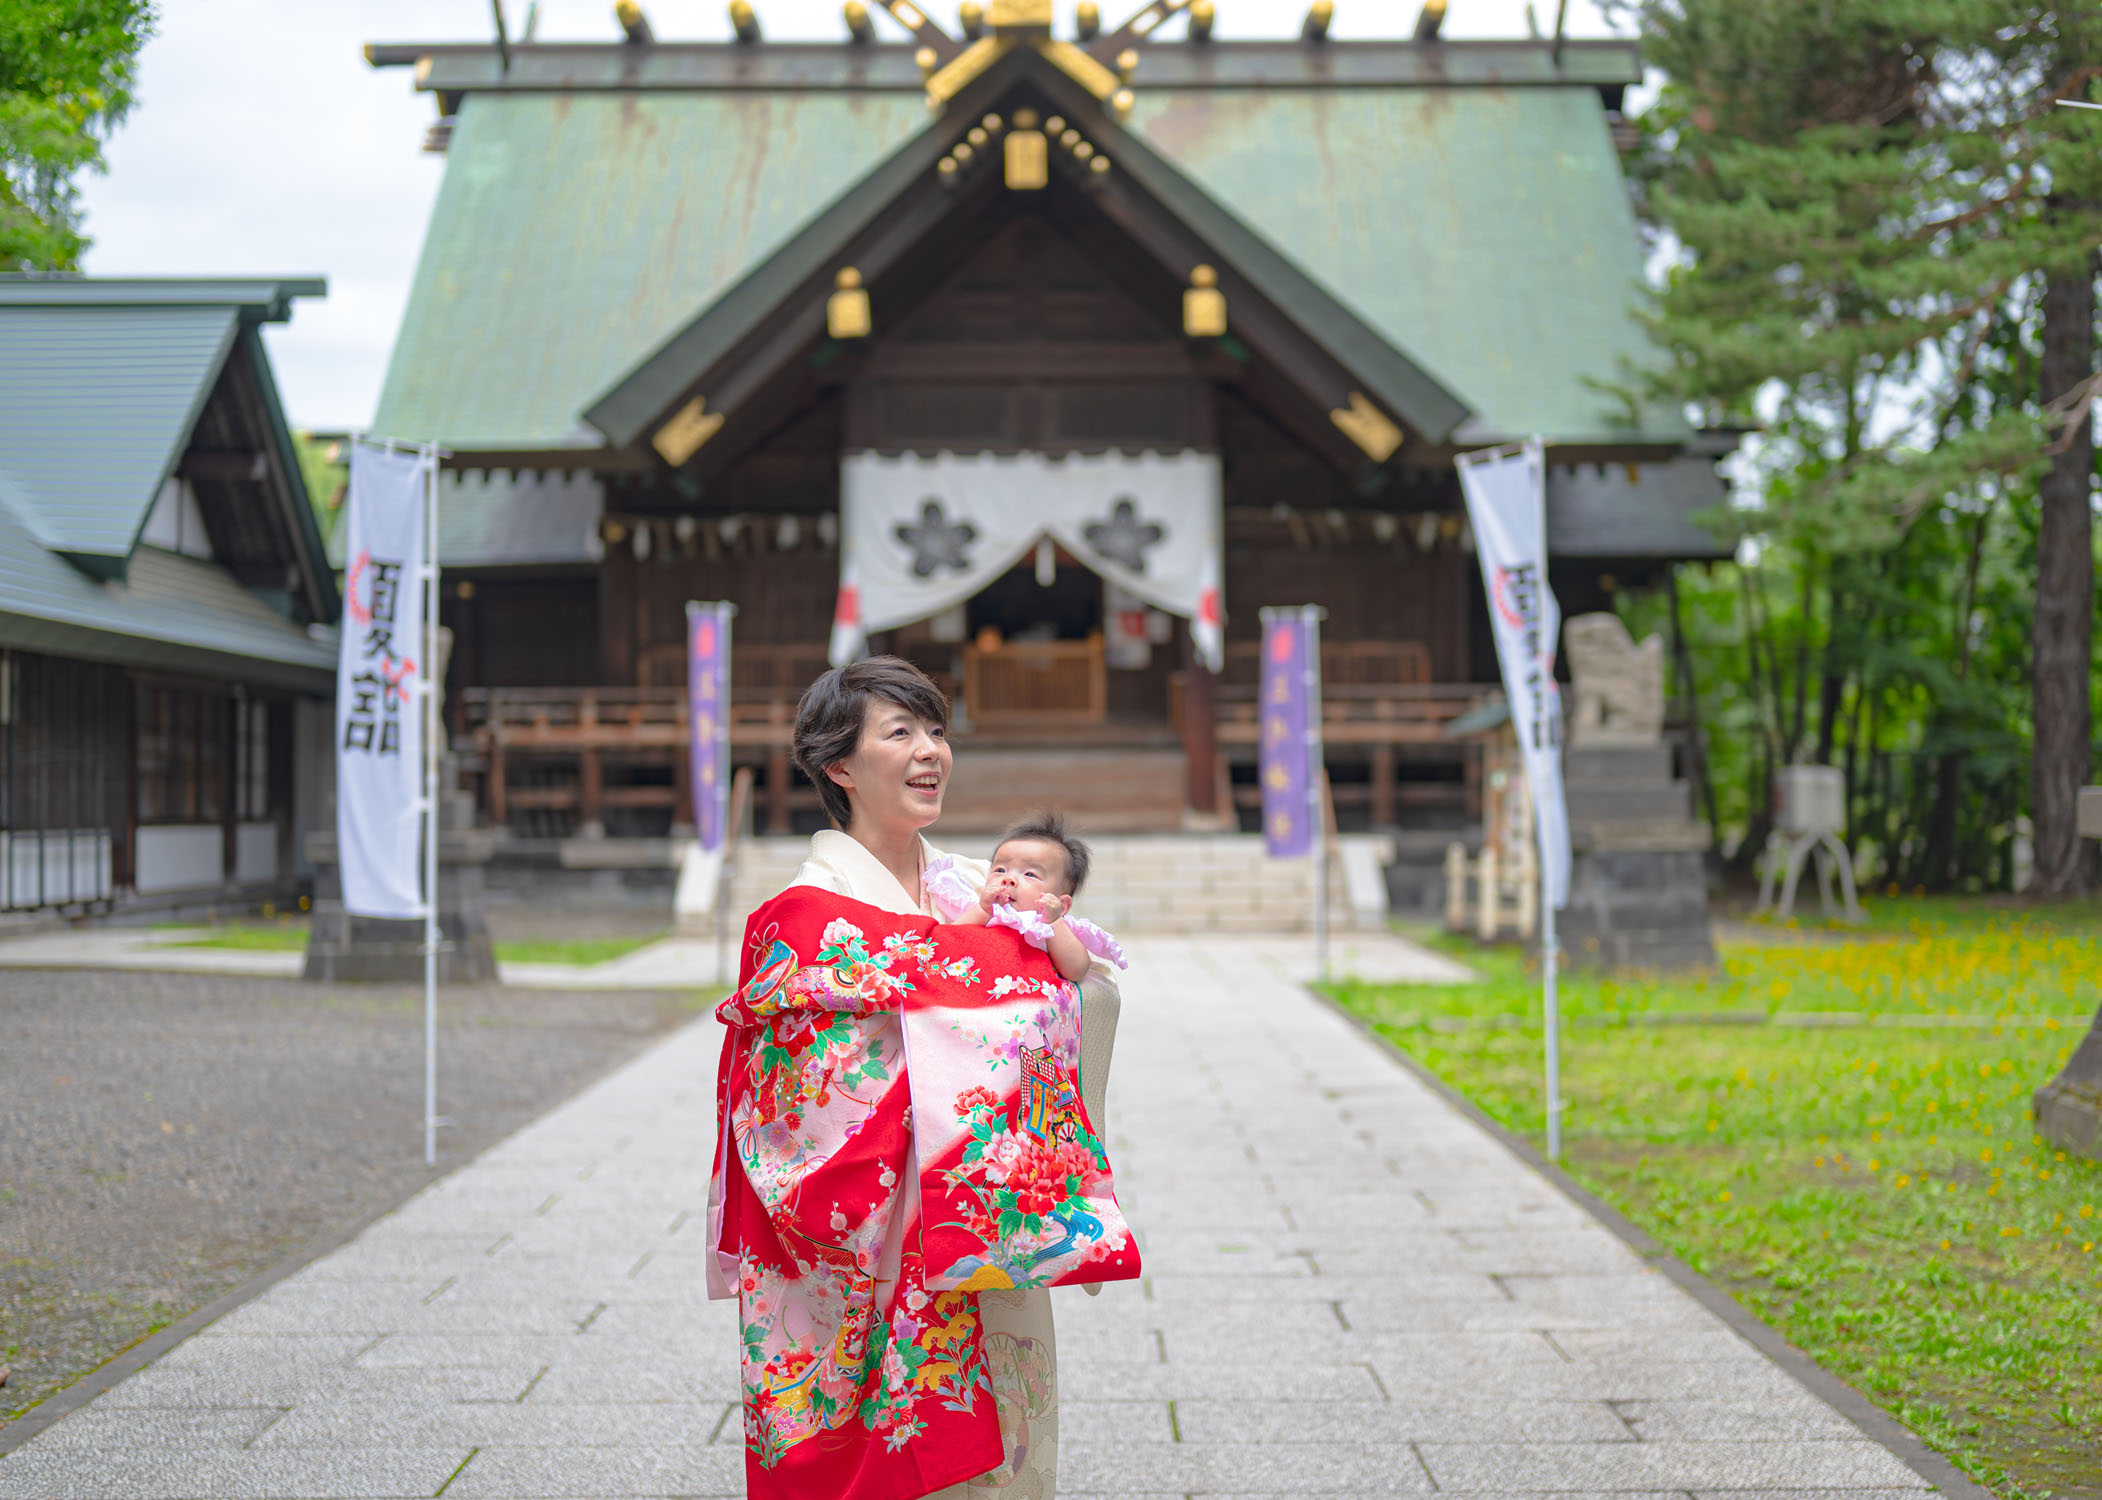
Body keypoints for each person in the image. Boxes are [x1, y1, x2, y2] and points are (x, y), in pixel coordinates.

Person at [778, 656, 1121, 1500]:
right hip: (879, 1233)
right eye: (902, 733)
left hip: (988, 1222)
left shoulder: (986, 883)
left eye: (936, 730)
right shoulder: (810, 907)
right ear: (841, 767)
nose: (931, 750)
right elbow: (793, 1090)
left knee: (1012, 1436)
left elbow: (1093, 987)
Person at [929, 813, 1127, 985]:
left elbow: (1076, 970)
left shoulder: (1049, 928)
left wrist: (1055, 922)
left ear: (1062, 904)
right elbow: (948, 942)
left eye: (1030, 874)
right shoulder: (984, 912)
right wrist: (982, 910)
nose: (1009, 879)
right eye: (1000, 870)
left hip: (1028, 1011)